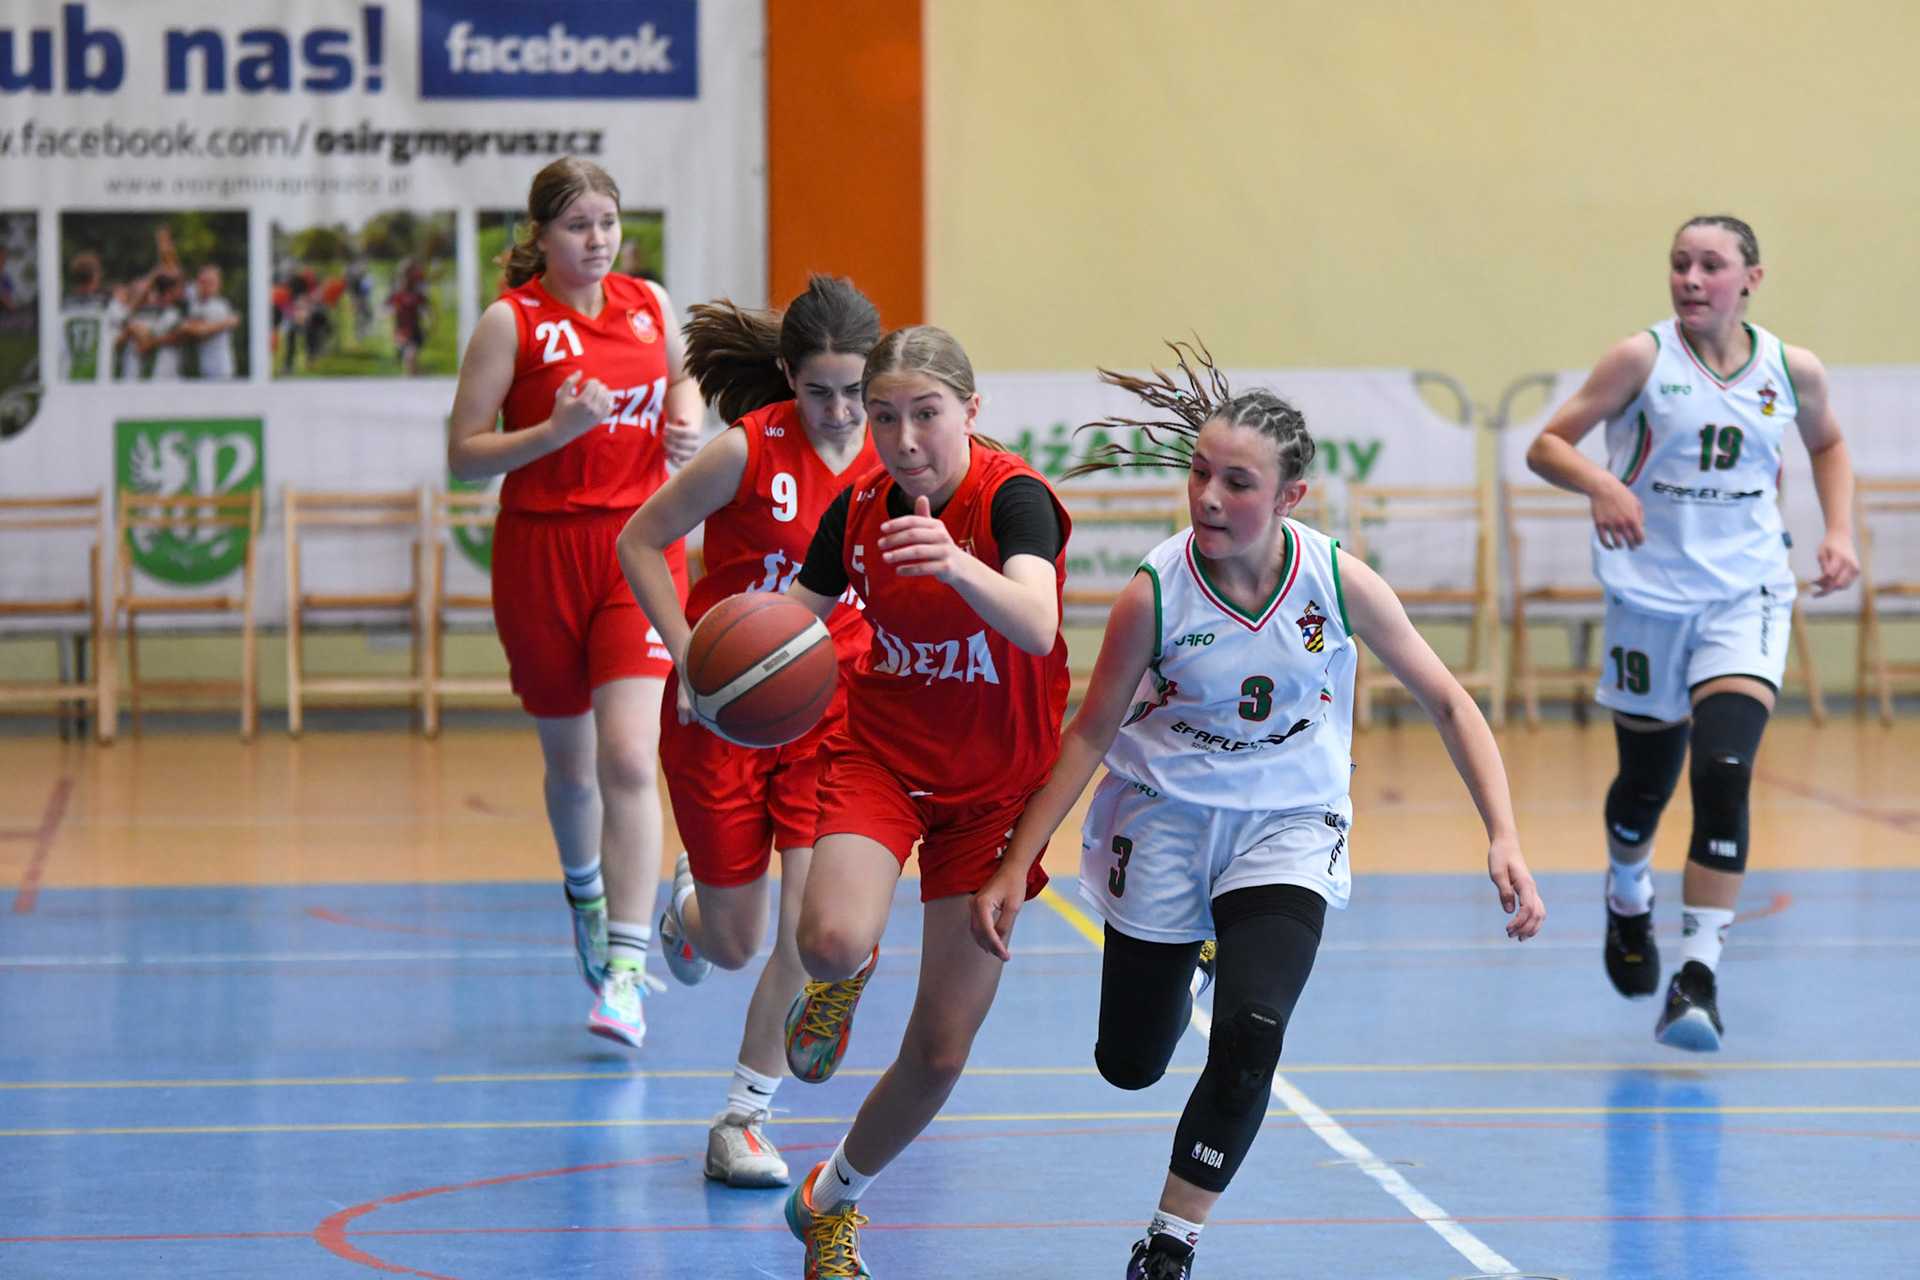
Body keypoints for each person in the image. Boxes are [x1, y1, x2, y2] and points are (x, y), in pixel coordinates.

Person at [972, 346, 1545, 1280]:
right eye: (1200, 472)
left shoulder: (1337, 582)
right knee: (1129, 1063)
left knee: (1252, 1032)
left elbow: (1449, 700)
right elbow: (1088, 734)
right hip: (1164, 821)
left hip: (1289, 824)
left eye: (1237, 483)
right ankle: (1196, 954)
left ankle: (1170, 1241)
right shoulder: (1154, 595)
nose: (1207, 497)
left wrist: (1504, 833)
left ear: (1290, 498)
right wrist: (1013, 866)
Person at [774, 325, 1073, 1278]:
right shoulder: (857, 509)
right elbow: (793, 627)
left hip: (993, 800)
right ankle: (845, 974)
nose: (903, 439)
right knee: (829, 939)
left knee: (940, 1054)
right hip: (883, 761)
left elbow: (1037, 623)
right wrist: (726, 667)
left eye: (926, 414)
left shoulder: (1014, 500)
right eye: (883, 417)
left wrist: (952, 561)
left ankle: (831, 1200)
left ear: (971, 413)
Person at [1527, 214, 1858, 1051]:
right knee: (1645, 787)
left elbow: (1828, 443)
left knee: (1723, 770)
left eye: (1711, 265)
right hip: (1649, 599)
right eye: (1681, 264)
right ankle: (1627, 892)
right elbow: (1546, 445)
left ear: (1751, 279)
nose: (1692, 278)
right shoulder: (1641, 359)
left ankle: (1698, 976)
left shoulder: (1791, 369)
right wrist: (1601, 483)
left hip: (1747, 593)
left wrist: (1839, 530)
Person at [616, 275, 882, 1190]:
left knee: (809, 932)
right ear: (788, 377)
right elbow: (639, 540)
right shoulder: (746, 449)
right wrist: (690, 656)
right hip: (724, 714)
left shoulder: (895, 460)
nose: (840, 411)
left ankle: (742, 1120)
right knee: (734, 943)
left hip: (832, 717)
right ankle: (687, 916)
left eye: (856, 391)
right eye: (819, 392)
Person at [447, 156, 702, 1049]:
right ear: (541, 235)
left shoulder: (650, 304)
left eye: (608, 222)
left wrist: (687, 417)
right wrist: (555, 432)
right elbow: (462, 455)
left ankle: (626, 976)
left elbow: (683, 377)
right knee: (572, 769)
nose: (598, 240)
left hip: (639, 549)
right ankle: (585, 893)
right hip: (541, 554)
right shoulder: (509, 323)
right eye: (578, 225)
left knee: (630, 756)